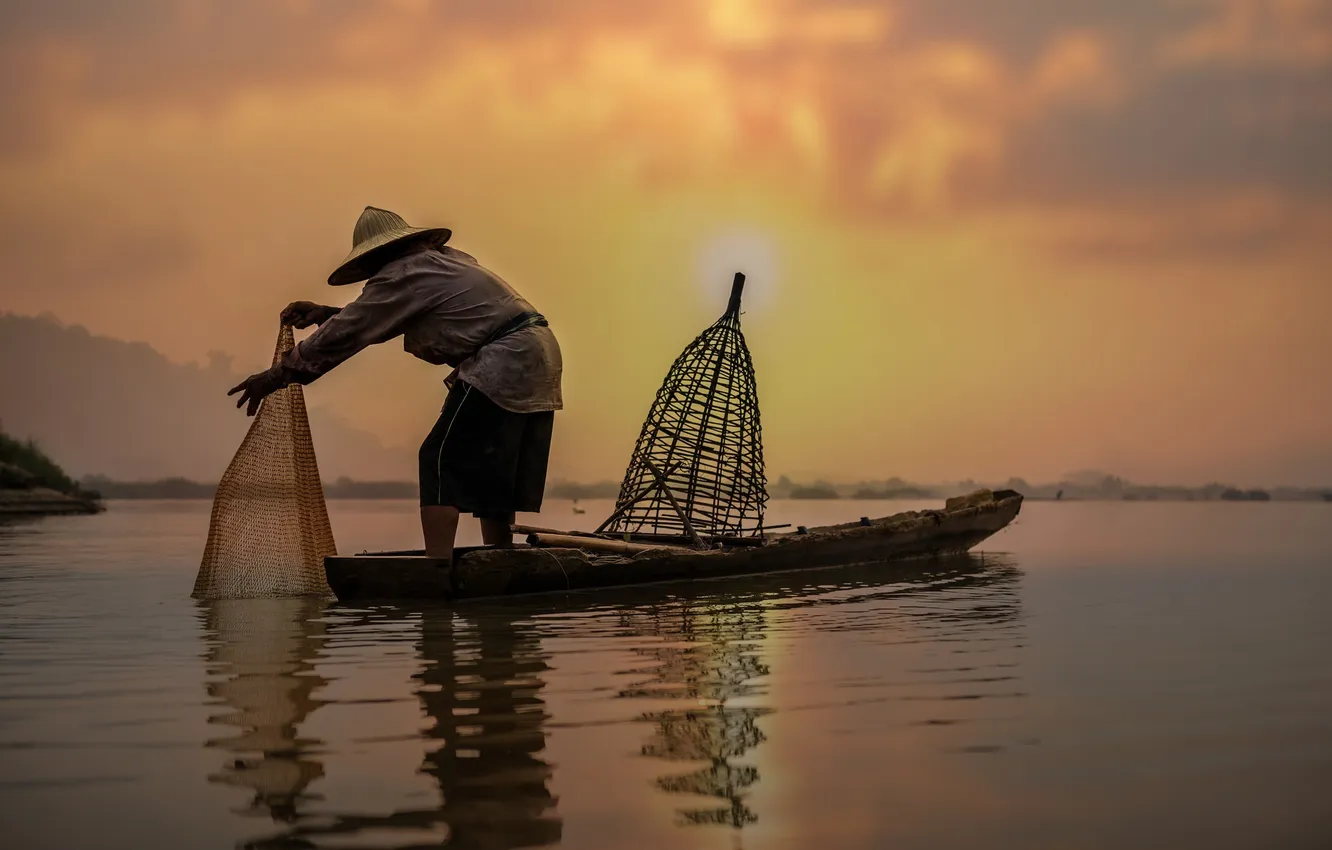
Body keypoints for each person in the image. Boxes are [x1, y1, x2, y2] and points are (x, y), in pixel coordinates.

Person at [228, 206, 562, 560]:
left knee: (438, 459)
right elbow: (381, 315)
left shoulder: (406, 272)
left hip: (504, 359)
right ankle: (500, 558)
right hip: (539, 351)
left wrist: (274, 376)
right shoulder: (441, 262)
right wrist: (327, 314)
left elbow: (352, 330)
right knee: (494, 464)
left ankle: (436, 568)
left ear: (378, 255)